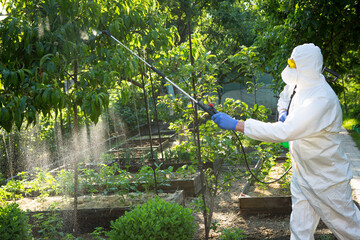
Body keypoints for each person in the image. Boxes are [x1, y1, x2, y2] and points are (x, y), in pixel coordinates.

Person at [212, 43, 360, 239]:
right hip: (303, 173)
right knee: (300, 229)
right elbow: (285, 95)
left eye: (293, 63)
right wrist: (283, 111)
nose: (290, 66)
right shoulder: (300, 83)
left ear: (306, 66)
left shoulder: (322, 98)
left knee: (349, 229)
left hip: (326, 179)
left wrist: (239, 124)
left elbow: (285, 132)